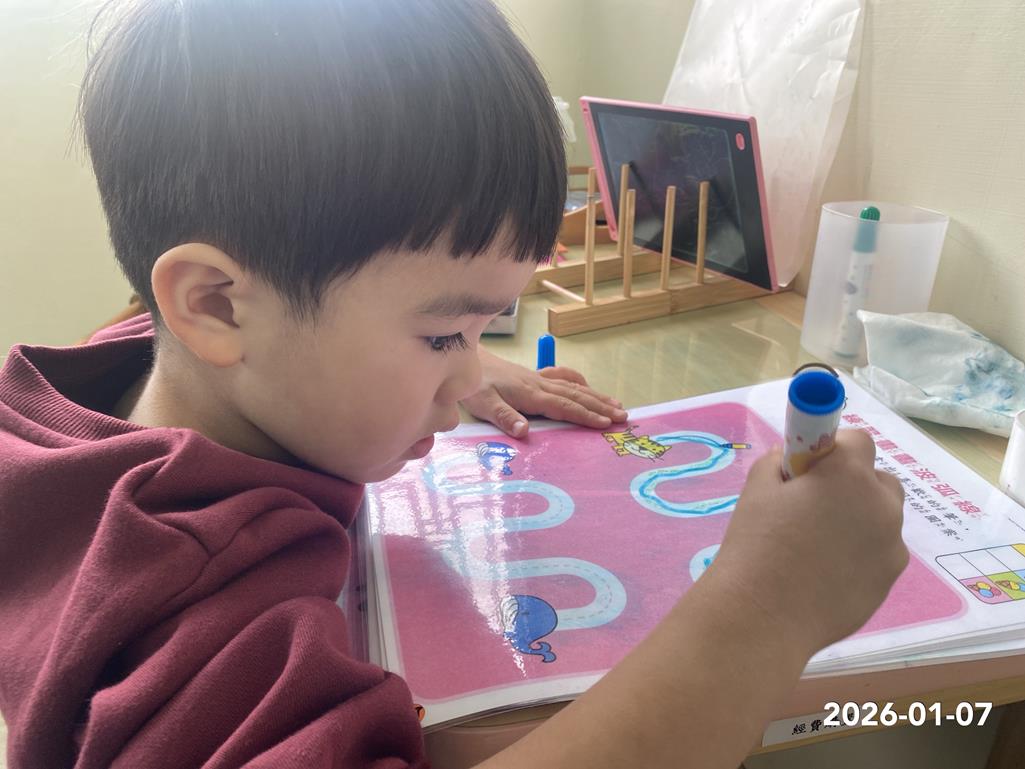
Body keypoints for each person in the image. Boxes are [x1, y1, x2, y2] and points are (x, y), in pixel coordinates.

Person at [0, 1, 908, 767]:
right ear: (217, 306)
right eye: (442, 333)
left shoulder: (118, 379)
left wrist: (458, 360)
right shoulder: (195, 604)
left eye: (480, 328)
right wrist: (765, 605)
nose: (468, 368)